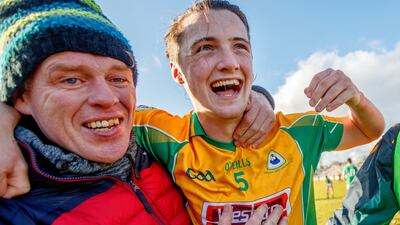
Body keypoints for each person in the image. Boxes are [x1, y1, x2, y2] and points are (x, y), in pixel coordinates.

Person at [0, 0, 385, 224]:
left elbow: (369, 130)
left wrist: (354, 97)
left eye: (240, 46)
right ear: (176, 72)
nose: (228, 61)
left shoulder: (297, 130)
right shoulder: (158, 134)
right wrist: (4, 118)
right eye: (204, 48)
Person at [328, 124, 400, 225]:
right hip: (360, 185)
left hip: (355, 185)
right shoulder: (395, 138)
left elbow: (357, 216)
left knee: (357, 202)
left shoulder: (395, 137)